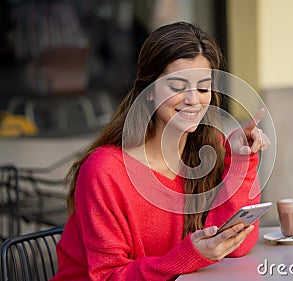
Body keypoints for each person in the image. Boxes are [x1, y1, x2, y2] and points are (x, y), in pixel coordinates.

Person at [51, 21, 270, 281]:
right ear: (149, 92)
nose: (193, 100)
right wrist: (187, 256)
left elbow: (237, 247)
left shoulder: (207, 151)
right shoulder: (105, 170)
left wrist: (242, 161)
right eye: (177, 87)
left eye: (202, 88)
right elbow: (108, 276)